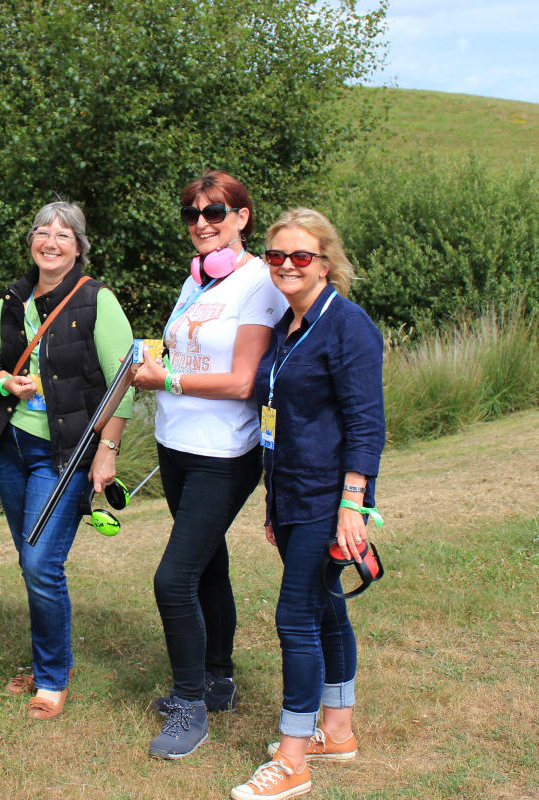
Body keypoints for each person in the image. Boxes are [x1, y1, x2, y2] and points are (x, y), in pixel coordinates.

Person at [130, 170, 288, 758]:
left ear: (243, 217)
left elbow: (244, 380)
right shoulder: (196, 278)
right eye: (192, 214)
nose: (202, 223)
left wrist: (165, 376)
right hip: (177, 445)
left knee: (172, 579)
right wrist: (153, 357)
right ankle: (219, 679)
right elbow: (184, 346)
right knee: (208, 565)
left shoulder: (259, 285)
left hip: (225, 453)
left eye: (215, 211)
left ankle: (189, 704)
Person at [231, 208, 384, 800]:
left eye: (300, 256)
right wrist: (273, 505)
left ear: (325, 263)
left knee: (294, 615)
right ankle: (337, 731)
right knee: (324, 608)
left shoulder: (347, 326)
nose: (287, 266)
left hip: (329, 493)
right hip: (291, 493)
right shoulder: (285, 327)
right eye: (276, 256)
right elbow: (279, 420)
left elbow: (366, 424)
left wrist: (354, 506)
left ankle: (293, 759)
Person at [0, 201, 134, 720]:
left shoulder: (96, 300)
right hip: (14, 446)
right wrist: (4, 382)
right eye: (42, 231)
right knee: (30, 561)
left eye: (63, 235)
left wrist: (106, 451)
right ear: (31, 242)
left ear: (79, 246)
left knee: (42, 562)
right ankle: (48, 662)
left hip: (63, 454)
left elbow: (124, 380)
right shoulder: (14, 298)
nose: (51, 241)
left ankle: (52, 677)